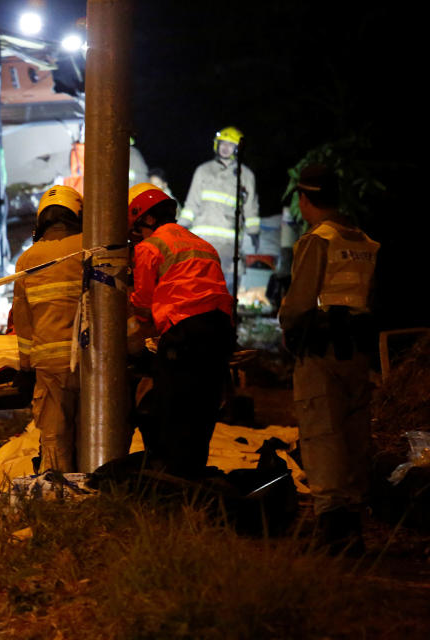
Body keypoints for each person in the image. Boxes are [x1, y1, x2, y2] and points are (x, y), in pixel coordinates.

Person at [278, 164, 378, 553]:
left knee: (322, 433)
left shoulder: (318, 239)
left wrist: (288, 328)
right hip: (356, 350)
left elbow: (299, 304)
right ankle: (353, 524)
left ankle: (332, 528)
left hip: (319, 350)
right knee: (354, 434)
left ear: (305, 199)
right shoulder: (365, 241)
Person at [128, 183, 235, 478]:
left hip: (184, 334)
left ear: (142, 220)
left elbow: (143, 304)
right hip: (219, 332)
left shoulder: (149, 247)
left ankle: (174, 483)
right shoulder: (202, 244)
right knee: (204, 410)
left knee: (173, 410)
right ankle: (194, 479)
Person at [12, 185, 83, 472]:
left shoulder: (27, 259)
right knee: (93, 429)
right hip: (88, 359)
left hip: (48, 363)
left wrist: (27, 363)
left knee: (54, 435)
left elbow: (23, 319)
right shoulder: (89, 247)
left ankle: (59, 496)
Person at [178, 126, 260, 290]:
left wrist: (254, 232)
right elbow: (192, 203)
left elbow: (250, 206)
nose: (225, 148)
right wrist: (181, 226)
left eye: (230, 144)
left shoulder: (246, 175)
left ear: (237, 148)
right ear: (217, 144)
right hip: (201, 240)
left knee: (223, 287)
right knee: (198, 284)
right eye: (223, 143)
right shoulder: (203, 170)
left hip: (228, 243)